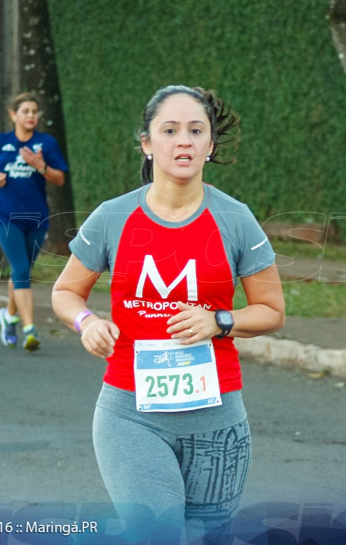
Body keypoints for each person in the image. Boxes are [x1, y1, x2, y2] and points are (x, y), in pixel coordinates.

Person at [51, 85, 285, 541]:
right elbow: (65, 292)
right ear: (147, 143)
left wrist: (220, 320)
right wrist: (88, 322)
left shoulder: (235, 219)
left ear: (210, 145)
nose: (184, 141)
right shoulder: (113, 217)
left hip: (217, 418)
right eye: (170, 130)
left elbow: (272, 311)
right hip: (129, 413)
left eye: (196, 131)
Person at [0, 93, 68, 352]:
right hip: (6, 216)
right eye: (25, 111)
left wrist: (40, 166)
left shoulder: (46, 144)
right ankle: (29, 329)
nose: (31, 116)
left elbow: (59, 178)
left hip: (37, 217)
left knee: (21, 270)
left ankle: (9, 316)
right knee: (22, 270)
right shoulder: (1, 142)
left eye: (34, 111)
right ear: (13, 115)